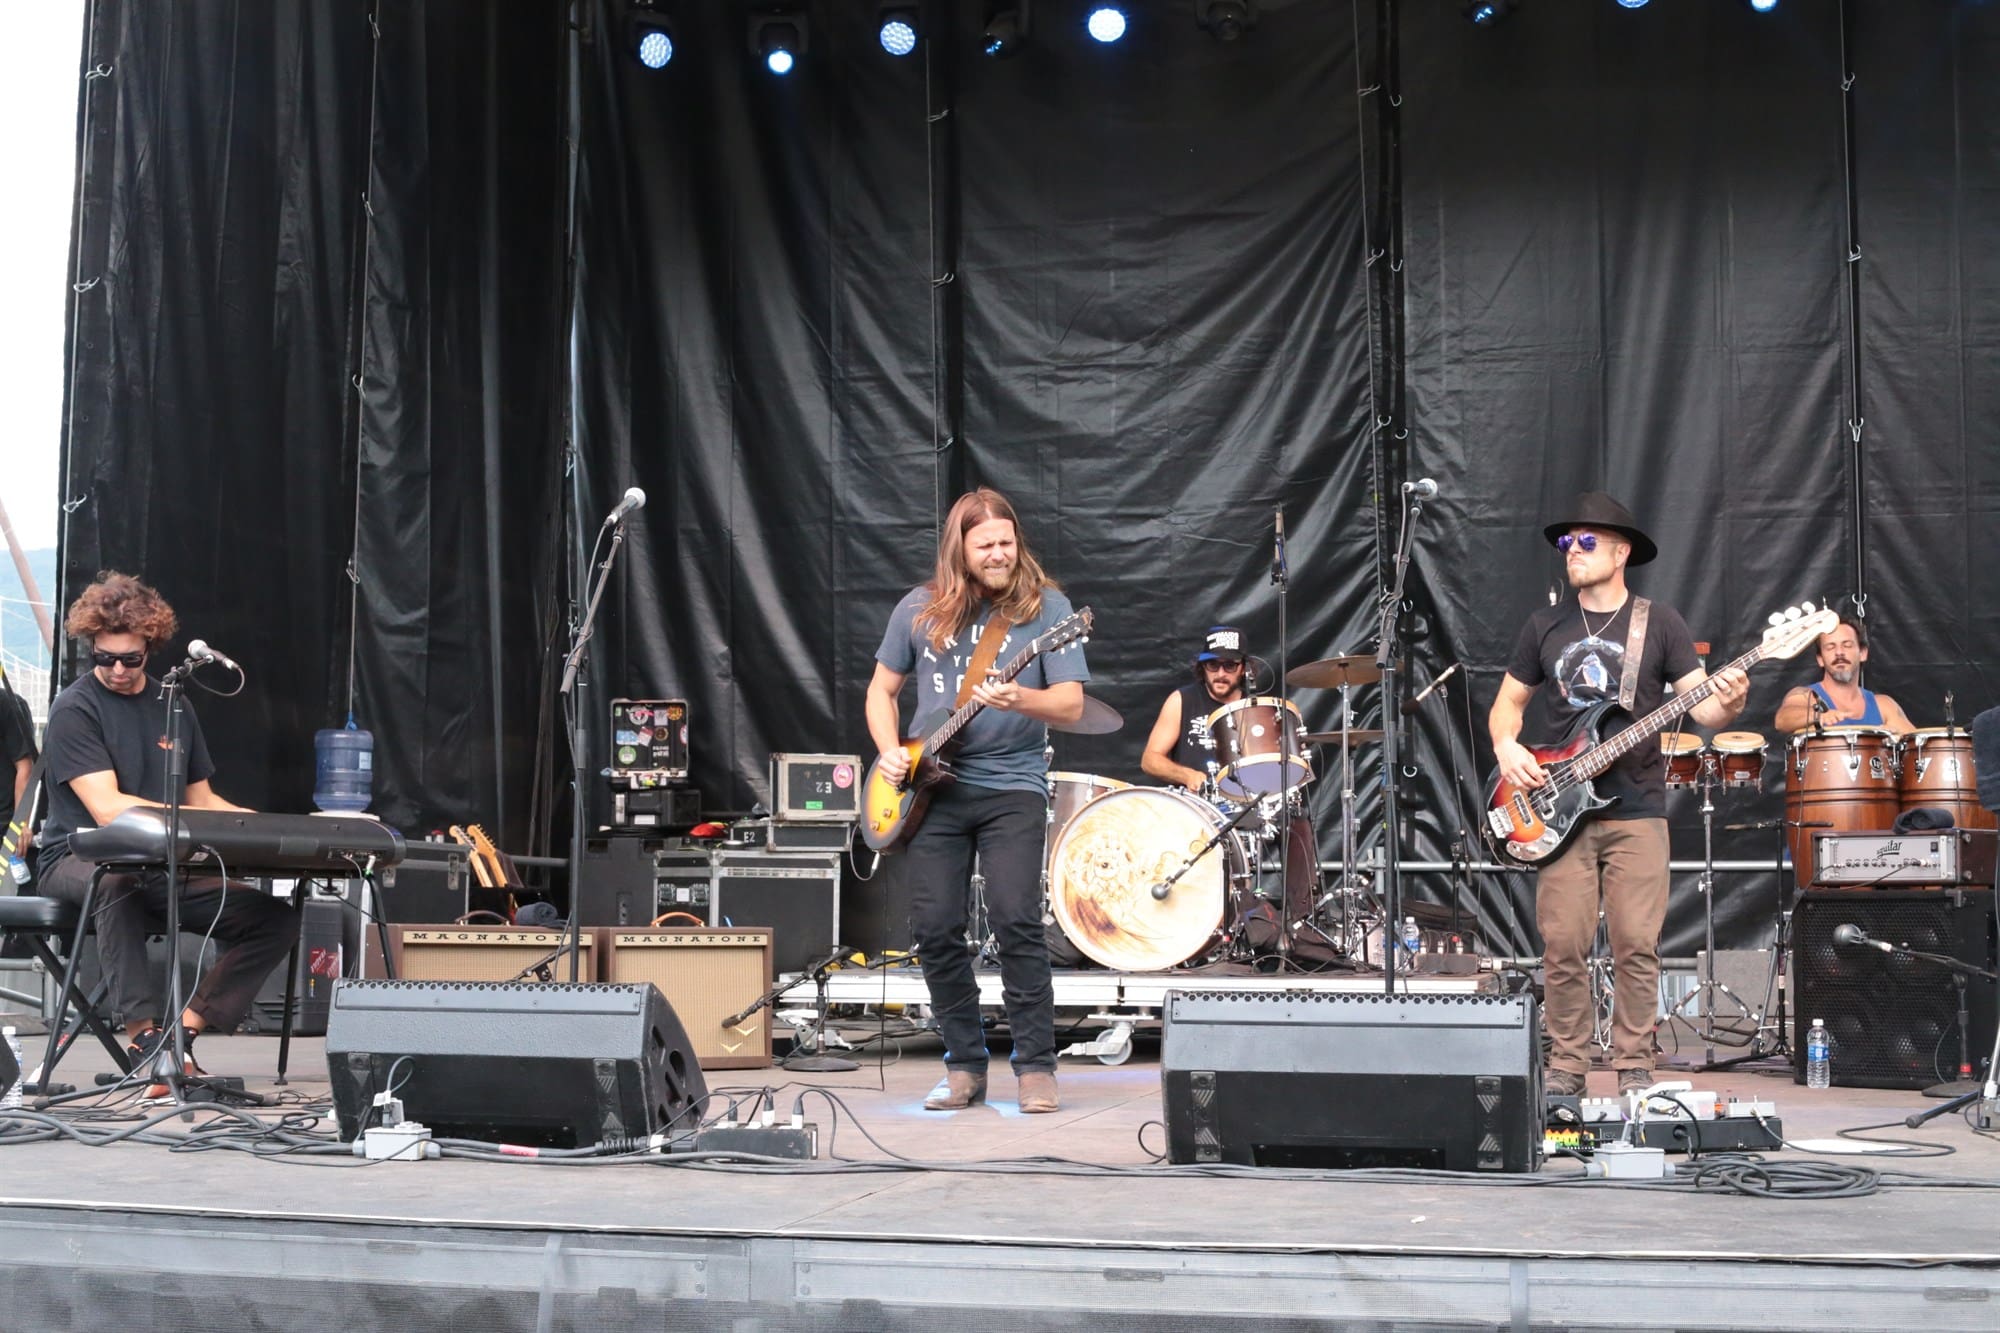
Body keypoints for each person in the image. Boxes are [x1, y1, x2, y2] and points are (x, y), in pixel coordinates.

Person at [1487, 494, 1748, 1099]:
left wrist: (1732, 702)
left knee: (1636, 944)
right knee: (1563, 946)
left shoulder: (1660, 623)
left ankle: (1634, 1063)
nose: (1571, 552)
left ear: (1621, 552)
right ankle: (1567, 1065)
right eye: (1566, 542)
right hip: (1559, 810)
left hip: (1637, 807)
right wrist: (1506, 747)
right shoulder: (1544, 625)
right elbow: (1507, 705)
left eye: (1586, 542)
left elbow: (1705, 707)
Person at [866, 489, 1088, 1113]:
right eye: (985, 544)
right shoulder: (919, 608)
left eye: (1006, 543)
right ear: (959, 549)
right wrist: (890, 750)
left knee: (1017, 918)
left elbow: (1071, 705)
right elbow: (881, 691)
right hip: (930, 790)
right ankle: (963, 1065)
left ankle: (1036, 1068)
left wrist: (1022, 699)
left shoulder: (1048, 609)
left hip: (1012, 784)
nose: (998, 554)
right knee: (935, 928)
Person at [35, 572, 297, 1098]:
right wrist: (189, 821)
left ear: (149, 648)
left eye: (129, 659)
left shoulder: (174, 704)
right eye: (104, 657)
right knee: (117, 882)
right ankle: (143, 1039)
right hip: (76, 859)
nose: (116, 669)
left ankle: (181, 1037)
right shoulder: (75, 708)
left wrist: (264, 828)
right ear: (91, 646)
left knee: (275, 919)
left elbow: (204, 801)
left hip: (161, 864)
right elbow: (107, 809)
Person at [1141, 626, 1252, 793]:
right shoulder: (1181, 700)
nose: (1220, 674)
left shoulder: (1257, 709)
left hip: (1247, 800)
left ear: (1243, 668)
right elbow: (1149, 760)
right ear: (1203, 666)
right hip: (1193, 804)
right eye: (1213, 665)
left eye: (1229, 666)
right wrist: (1186, 775)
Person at [1772, 617, 1914, 734]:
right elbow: (1782, 720)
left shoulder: (1884, 705)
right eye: (1830, 647)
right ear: (1820, 659)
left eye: (1847, 645)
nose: (1839, 652)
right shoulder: (1806, 696)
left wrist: (1894, 736)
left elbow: (1919, 747)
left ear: (1863, 653)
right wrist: (1818, 716)